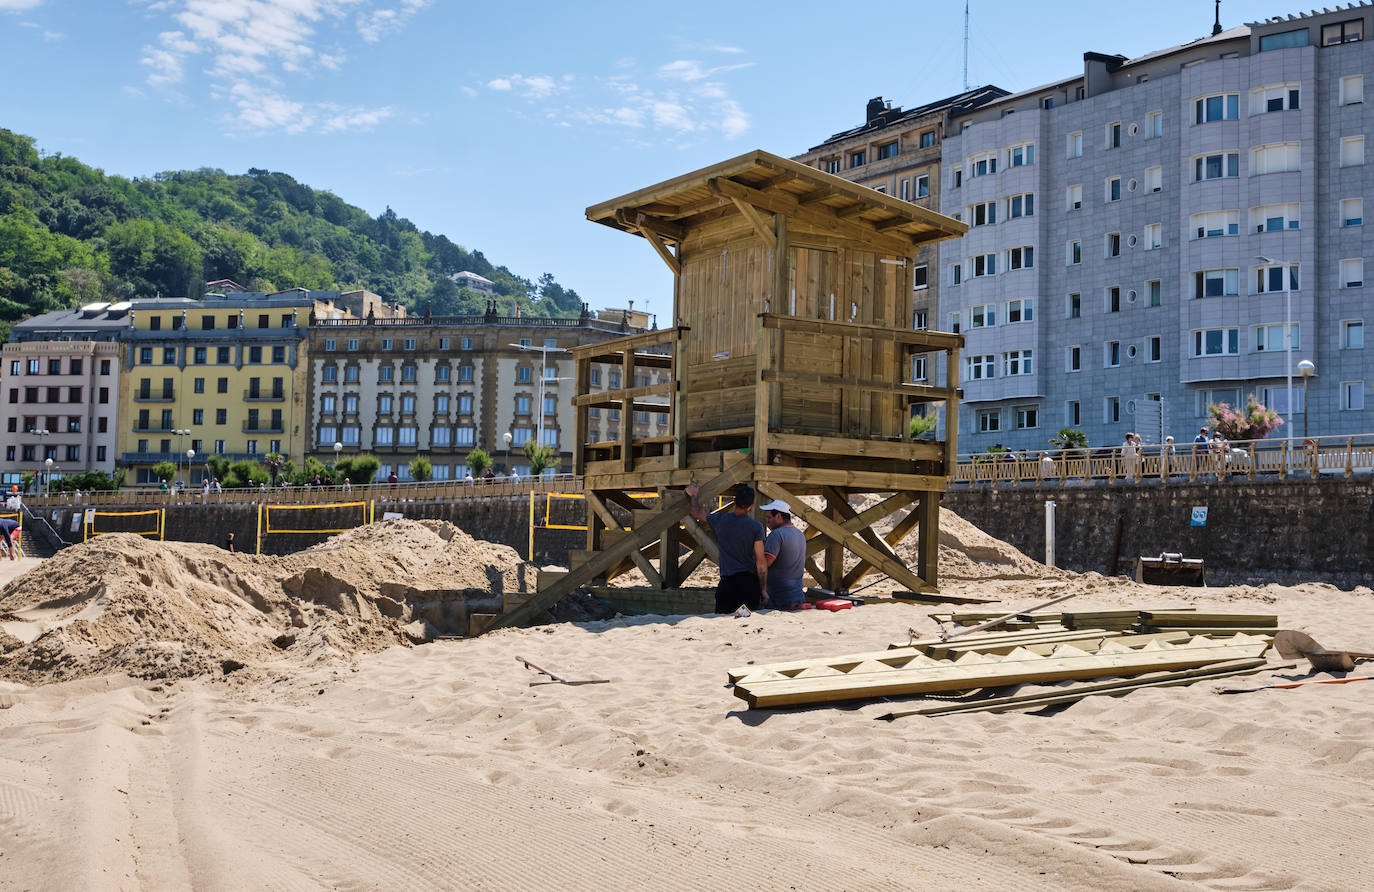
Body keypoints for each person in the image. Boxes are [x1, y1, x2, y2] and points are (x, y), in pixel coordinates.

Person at [686, 482, 767, 613]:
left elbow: (696, 513)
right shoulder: (756, 527)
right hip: (749, 584)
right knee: (744, 618)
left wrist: (693, 495)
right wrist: (763, 589)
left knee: (722, 617)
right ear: (751, 506)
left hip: (728, 584)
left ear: (734, 501)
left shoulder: (720, 520)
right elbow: (761, 561)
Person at [759, 499, 806, 610]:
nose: (767, 521)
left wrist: (763, 590)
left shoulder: (776, 535)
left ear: (779, 516)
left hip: (779, 597)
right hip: (797, 595)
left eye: (769, 518)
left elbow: (764, 565)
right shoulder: (800, 534)